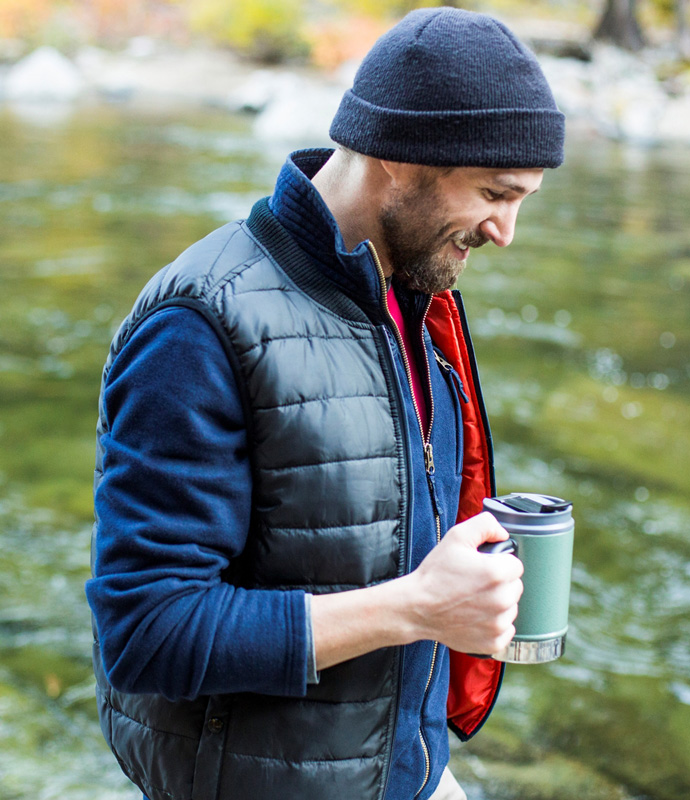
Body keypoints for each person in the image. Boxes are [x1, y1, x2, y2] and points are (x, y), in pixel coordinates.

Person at [86, 7, 565, 800]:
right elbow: (147, 633)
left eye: (524, 199)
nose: (506, 230)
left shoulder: (412, 300)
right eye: (494, 192)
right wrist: (416, 609)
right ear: (398, 157)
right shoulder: (198, 326)